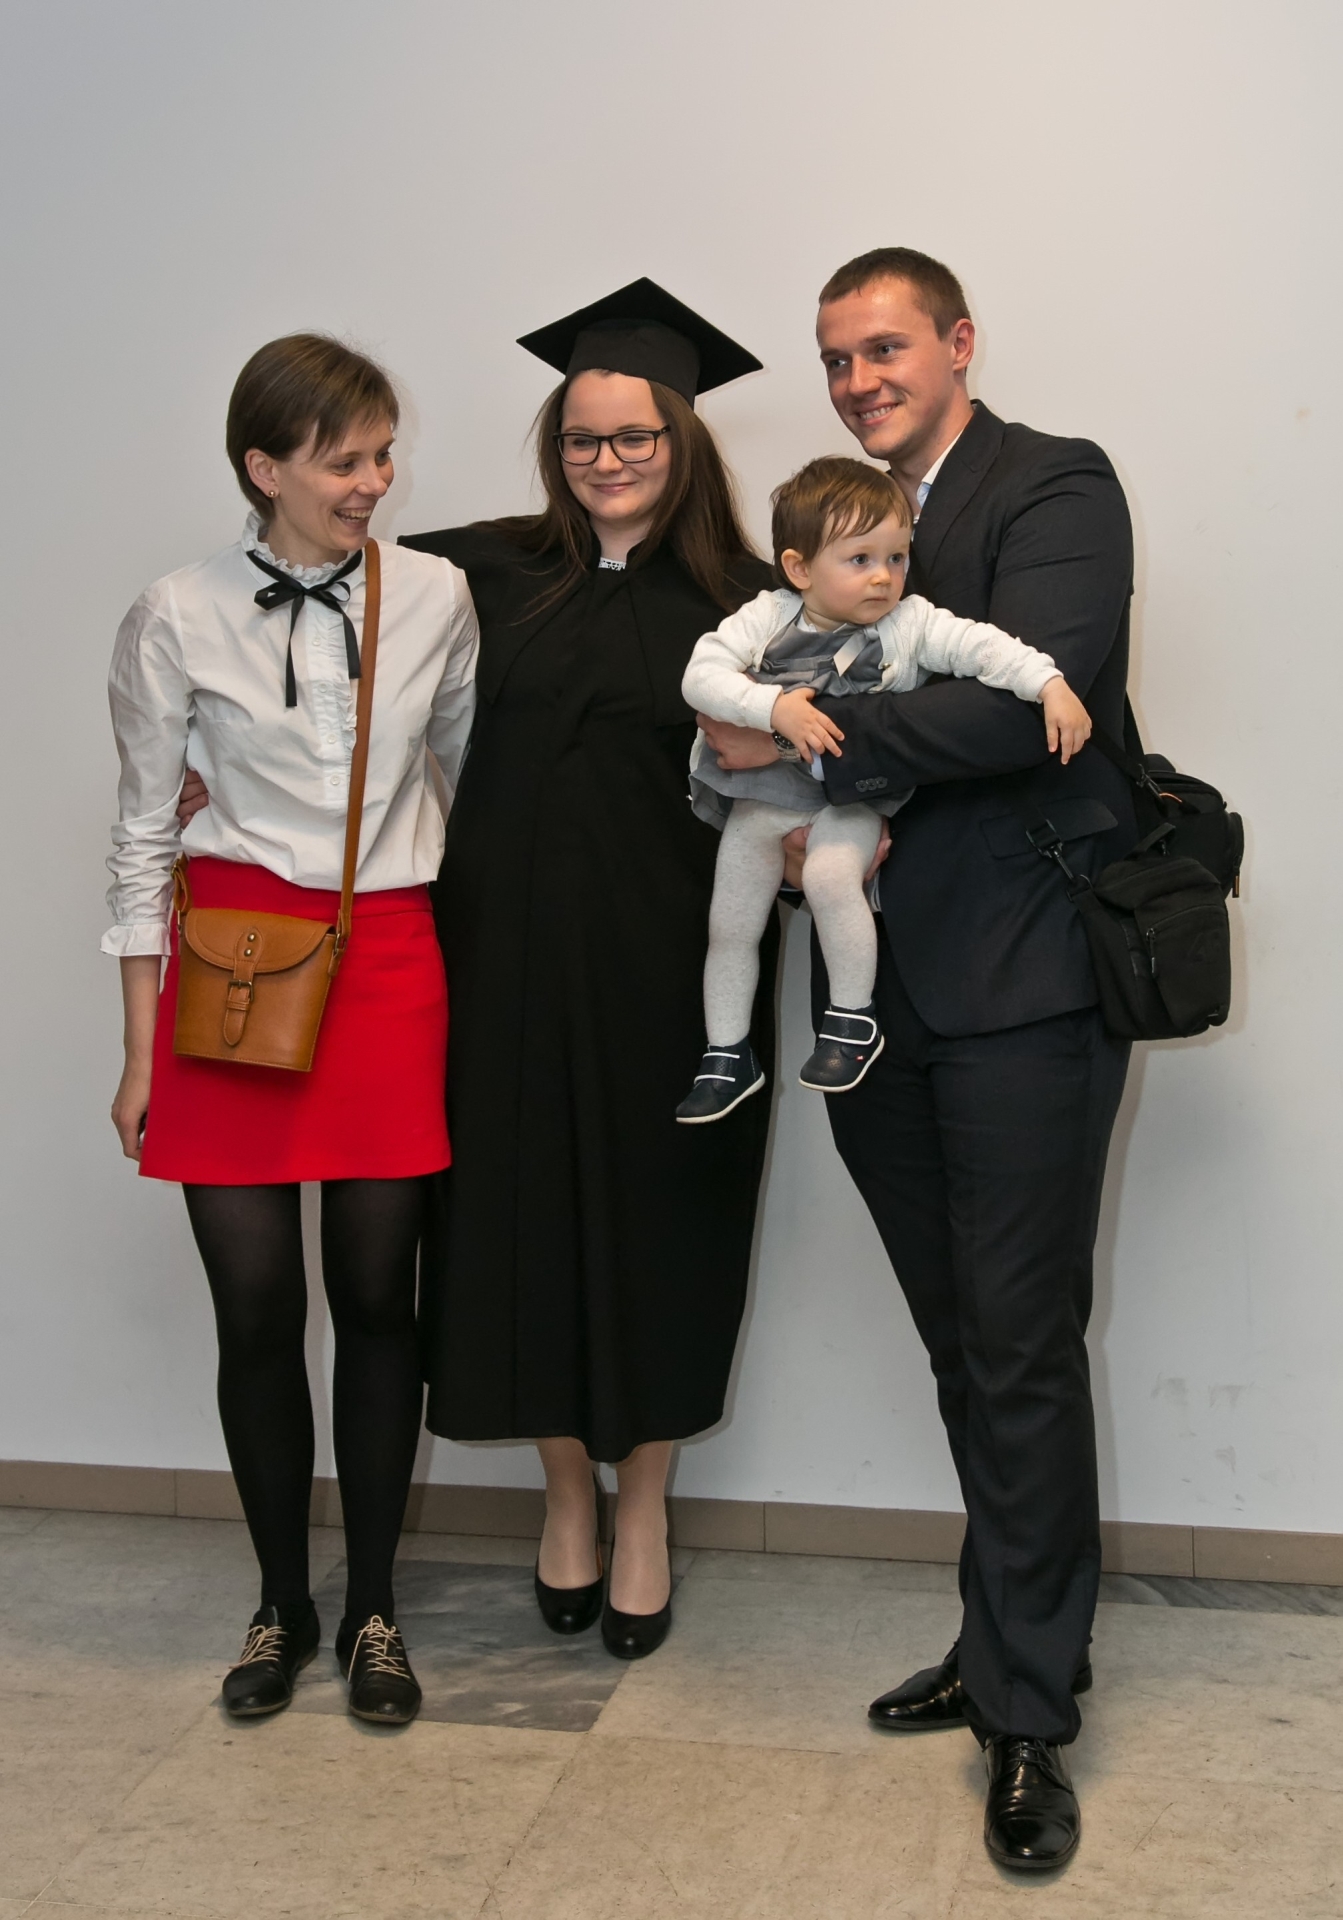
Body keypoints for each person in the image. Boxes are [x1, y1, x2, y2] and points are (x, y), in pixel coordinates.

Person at [698, 249, 1136, 1872]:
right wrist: (744, 742)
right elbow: (726, 712)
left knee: (1017, 1343)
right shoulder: (829, 520)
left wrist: (798, 737)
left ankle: (1025, 1717)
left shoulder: (1054, 487)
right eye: (833, 359)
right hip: (871, 1005)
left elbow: (1027, 708)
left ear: (956, 343)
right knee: (960, 1340)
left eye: (882, 348)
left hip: (1021, 986)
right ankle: (1004, 1627)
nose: (856, 380)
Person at [400, 279, 777, 1660]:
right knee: (513, 1215)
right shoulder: (474, 574)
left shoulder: (753, 601)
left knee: (667, 1217)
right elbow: (312, 617)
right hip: (495, 958)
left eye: (633, 437)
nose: (605, 460)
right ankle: (566, 1491)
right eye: (580, 439)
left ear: (681, 440)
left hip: (677, 968)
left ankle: (645, 1506)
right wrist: (218, 766)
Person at [106, 334, 477, 1727]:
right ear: (263, 468)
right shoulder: (175, 611)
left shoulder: (435, 595)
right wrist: (137, 1050)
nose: (372, 482)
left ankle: (373, 1606)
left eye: (382, 455)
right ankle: (281, 1600)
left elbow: (464, 771)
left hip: (385, 955)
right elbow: (141, 836)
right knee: (257, 1309)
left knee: (379, 1299)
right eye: (341, 461)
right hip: (232, 971)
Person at [676, 456, 1090, 1119]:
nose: (883, 576)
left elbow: (984, 648)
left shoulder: (912, 622)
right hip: (766, 796)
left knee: (831, 877)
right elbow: (700, 677)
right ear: (798, 568)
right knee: (730, 918)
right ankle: (726, 1052)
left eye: (896, 557)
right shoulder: (766, 614)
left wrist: (1048, 682)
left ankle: (851, 1019)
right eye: (860, 559)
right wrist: (772, 709)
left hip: (853, 797)